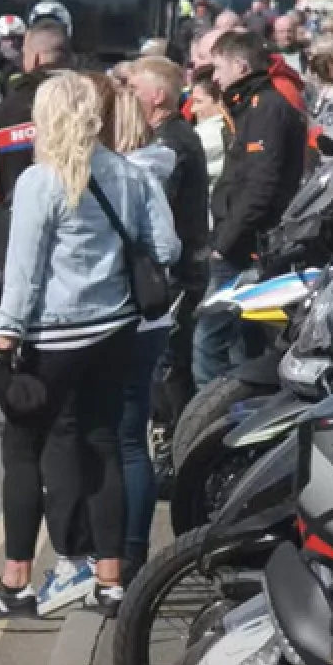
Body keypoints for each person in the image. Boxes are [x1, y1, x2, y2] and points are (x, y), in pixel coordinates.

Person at [0, 73, 179, 622]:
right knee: (102, 445)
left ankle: (16, 582)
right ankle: (109, 581)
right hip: (115, 330)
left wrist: (5, 336)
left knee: (22, 452)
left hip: (52, 336)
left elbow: (23, 272)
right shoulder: (130, 173)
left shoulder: (40, 181)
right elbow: (166, 246)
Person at [195, 30, 308, 392]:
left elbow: (260, 187)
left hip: (245, 244)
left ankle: (211, 414)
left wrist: (224, 243)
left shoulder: (266, 108)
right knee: (241, 341)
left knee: (208, 341)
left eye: (219, 68)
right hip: (240, 239)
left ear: (241, 66)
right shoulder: (251, 105)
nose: (215, 78)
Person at [102, 79, 179, 582]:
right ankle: (132, 553)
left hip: (116, 315)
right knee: (133, 439)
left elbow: (165, 247)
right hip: (153, 317)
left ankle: (116, 553)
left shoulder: (118, 175)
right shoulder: (154, 171)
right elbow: (168, 248)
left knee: (118, 440)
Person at [122, 56, 211, 471]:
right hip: (177, 266)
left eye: (134, 89)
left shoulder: (171, 143)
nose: (128, 96)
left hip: (177, 271)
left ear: (157, 96)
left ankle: (173, 449)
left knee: (169, 362)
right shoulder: (166, 136)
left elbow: (153, 204)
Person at [0, 23, 74, 270]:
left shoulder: (5, 112)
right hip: (80, 232)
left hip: (16, 233)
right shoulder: (92, 102)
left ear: (35, 58)